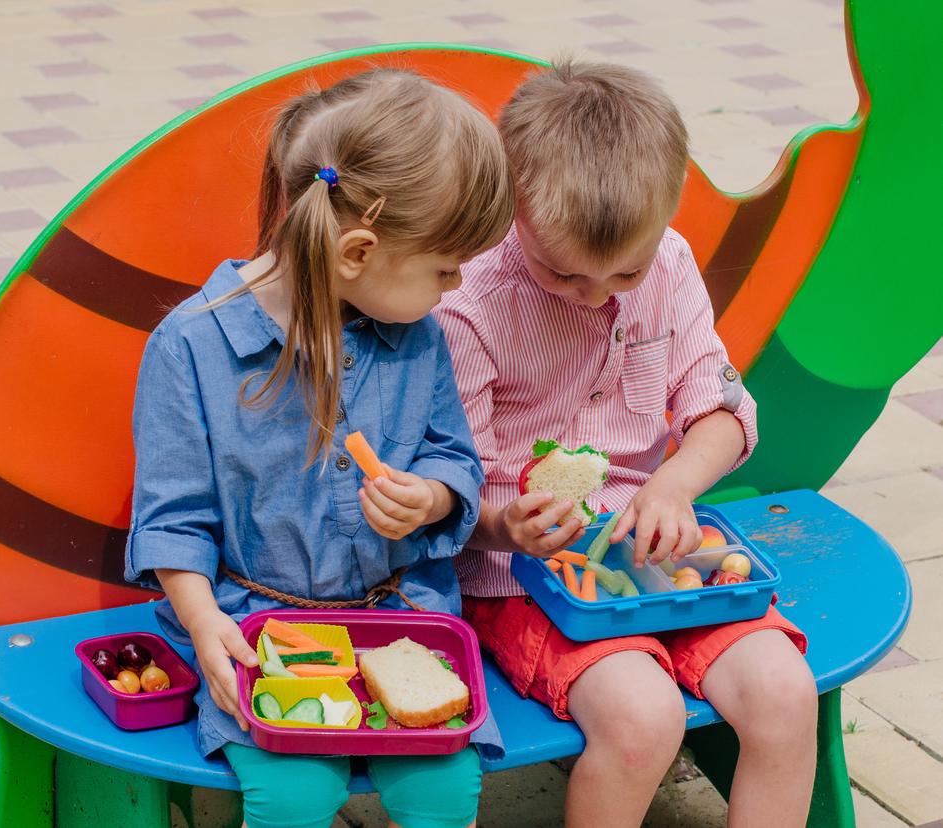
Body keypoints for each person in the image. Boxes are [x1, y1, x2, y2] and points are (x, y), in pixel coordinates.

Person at [126, 68, 515, 828]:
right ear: (358, 252)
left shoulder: (417, 334)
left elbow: (452, 456)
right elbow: (174, 520)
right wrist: (206, 627)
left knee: (443, 791)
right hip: (251, 623)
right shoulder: (191, 350)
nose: (457, 285)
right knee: (295, 796)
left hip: (400, 617)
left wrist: (431, 498)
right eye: (444, 268)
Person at [434, 61, 817, 828]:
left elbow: (722, 413)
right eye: (564, 273)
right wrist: (503, 525)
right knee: (643, 722)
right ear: (516, 205)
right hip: (526, 576)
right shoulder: (468, 303)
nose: (598, 294)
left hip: (666, 550)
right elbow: (449, 482)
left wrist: (674, 484)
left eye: (623, 272)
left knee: (785, 694)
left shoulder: (669, 264)